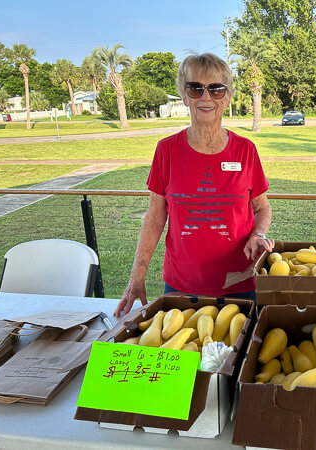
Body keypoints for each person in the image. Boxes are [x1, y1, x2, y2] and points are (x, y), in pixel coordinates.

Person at [114, 52, 274, 318]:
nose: (206, 97)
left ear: (228, 96)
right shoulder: (166, 151)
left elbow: (262, 208)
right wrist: (136, 278)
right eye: (195, 88)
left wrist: (258, 234)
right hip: (181, 289)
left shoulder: (246, 150)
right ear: (184, 95)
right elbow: (154, 219)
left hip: (240, 287)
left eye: (216, 89)